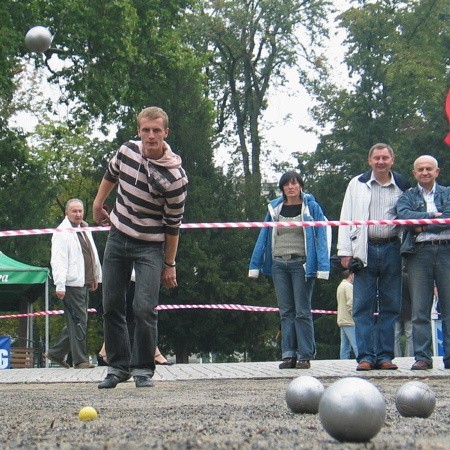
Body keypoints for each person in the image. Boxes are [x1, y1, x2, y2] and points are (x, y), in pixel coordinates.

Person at [93, 106, 187, 388]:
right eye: (145, 130)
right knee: (110, 304)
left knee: (144, 308)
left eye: (156, 130)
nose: (150, 135)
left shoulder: (175, 179)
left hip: (150, 246)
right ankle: (117, 367)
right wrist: (98, 203)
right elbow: (111, 174)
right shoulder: (127, 151)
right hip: (118, 236)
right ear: (138, 131)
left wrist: (169, 264)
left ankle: (143, 368)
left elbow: (173, 227)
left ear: (165, 133)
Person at [337, 143, 410, 371]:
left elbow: (408, 216)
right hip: (363, 250)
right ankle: (366, 356)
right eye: (376, 158)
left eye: (385, 158)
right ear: (369, 161)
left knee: (390, 306)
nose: (381, 161)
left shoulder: (402, 185)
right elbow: (345, 217)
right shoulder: (356, 184)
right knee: (361, 306)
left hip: (392, 249)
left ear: (392, 160)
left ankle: (386, 356)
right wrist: (344, 251)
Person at [249, 170, 330, 369]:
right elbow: (264, 236)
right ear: (282, 187)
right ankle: (288, 354)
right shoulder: (274, 208)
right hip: (278, 264)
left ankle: (305, 354)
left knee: (302, 311)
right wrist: (255, 265)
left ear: (300, 185)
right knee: (286, 311)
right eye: (287, 184)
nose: (291, 187)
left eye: (294, 183)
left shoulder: (311, 207)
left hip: (301, 265)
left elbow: (321, 236)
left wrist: (322, 266)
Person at [396, 155, 450, 370]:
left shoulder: (448, 192)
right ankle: (422, 357)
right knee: (420, 308)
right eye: (421, 169)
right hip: (418, 253)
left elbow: (448, 215)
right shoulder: (406, 196)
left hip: (447, 251)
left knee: (449, 307)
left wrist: (423, 224)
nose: (425, 172)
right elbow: (405, 216)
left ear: (437, 172)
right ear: (414, 173)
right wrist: (433, 217)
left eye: (429, 169)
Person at [44, 198, 102, 369]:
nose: (78, 214)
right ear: (66, 213)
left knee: (76, 321)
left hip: (84, 281)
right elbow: (58, 261)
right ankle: (80, 360)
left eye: (80, 211)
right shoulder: (62, 232)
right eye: (74, 211)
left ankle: (55, 353)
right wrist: (60, 285)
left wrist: (95, 277)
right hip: (70, 284)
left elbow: (92, 254)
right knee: (79, 321)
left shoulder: (84, 228)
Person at [97, 269, 174, 366]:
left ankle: (104, 352)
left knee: (126, 316)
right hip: (132, 276)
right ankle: (154, 352)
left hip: (132, 277)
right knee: (136, 315)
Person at [336, 270, 358, 359]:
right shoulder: (348, 286)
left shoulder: (341, 286)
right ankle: (361, 359)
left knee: (345, 346)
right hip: (349, 320)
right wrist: (355, 316)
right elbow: (351, 303)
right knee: (356, 344)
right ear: (350, 275)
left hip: (341, 319)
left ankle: (343, 363)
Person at [394, 272, 413, 357]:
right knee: (410, 336)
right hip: (408, 311)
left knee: (395, 337)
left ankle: (397, 356)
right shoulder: (408, 278)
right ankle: (409, 356)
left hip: (395, 310)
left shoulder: (392, 278)